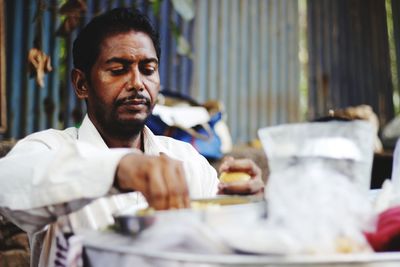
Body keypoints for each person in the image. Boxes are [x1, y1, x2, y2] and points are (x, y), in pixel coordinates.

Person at [0, 8, 264, 267]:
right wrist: (120, 168)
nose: (137, 83)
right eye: (117, 70)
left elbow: (231, 245)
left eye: (148, 69)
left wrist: (245, 205)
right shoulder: (50, 149)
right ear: (82, 84)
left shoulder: (188, 162)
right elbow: (8, 183)